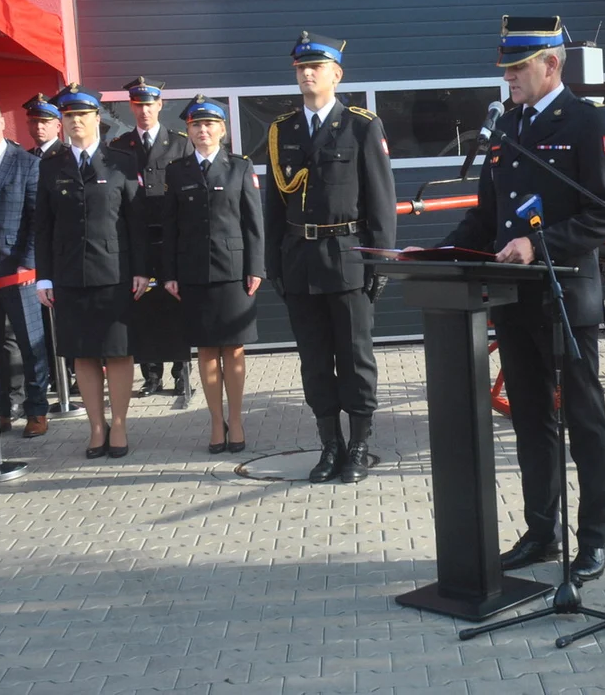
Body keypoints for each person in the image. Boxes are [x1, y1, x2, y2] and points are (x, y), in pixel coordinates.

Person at [433, 16, 605, 582]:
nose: (509, 79)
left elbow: (604, 216)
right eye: (507, 69)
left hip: (565, 296)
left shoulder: (589, 124)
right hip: (514, 302)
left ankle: (594, 538)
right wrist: (436, 253)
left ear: (551, 66)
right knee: (532, 421)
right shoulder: (507, 126)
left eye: (518, 68)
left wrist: (537, 244)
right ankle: (542, 533)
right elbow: (487, 216)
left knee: (584, 420)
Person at [264, 31, 397, 484]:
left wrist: (379, 263)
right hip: (299, 259)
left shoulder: (362, 125)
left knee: (356, 358)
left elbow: (381, 200)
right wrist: (273, 264)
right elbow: (272, 207)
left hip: (348, 258)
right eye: (301, 67)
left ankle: (359, 445)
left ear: (336, 75)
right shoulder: (282, 130)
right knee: (314, 360)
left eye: (315, 67)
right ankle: (329, 445)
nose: (306, 74)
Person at [34, 84, 148, 459]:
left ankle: (119, 425)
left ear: (97, 118)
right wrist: (44, 276)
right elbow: (44, 226)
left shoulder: (121, 162)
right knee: (82, 354)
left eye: (82, 115)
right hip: (69, 275)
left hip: (115, 273)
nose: (75, 122)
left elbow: (136, 221)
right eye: (69, 116)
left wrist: (142, 270)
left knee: (117, 352)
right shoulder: (51, 167)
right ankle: (96, 428)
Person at [162, 96, 264, 454]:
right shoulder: (176, 171)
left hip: (234, 271)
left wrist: (255, 267)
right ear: (188, 131)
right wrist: (169, 273)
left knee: (233, 349)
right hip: (193, 272)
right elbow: (171, 227)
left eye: (209, 124)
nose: (202, 130)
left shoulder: (239, 167)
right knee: (206, 349)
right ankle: (214, 422)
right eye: (195, 125)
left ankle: (235, 420)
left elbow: (254, 223)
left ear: (222, 129)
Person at [110, 77, 192, 397]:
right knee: (143, 306)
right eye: (138, 105)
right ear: (131, 107)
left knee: (175, 304)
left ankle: (181, 373)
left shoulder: (180, 142)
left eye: (149, 104)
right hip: (137, 238)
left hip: (172, 237)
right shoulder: (119, 146)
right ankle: (151, 375)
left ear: (161, 105)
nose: (144, 111)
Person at [0, 96, 50, 438]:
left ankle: (37, 409)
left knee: (32, 344)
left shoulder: (26, 164)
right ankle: (2, 410)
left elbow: (37, 220)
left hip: (18, 272)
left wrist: (28, 264)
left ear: (1, 123)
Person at [22, 93, 73, 399]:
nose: (39, 127)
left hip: (63, 252)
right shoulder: (25, 158)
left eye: (44, 121)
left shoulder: (66, 157)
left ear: (58, 125)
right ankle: (55, 377)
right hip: (35, 253)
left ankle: (72, 376)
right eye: (33, 121)